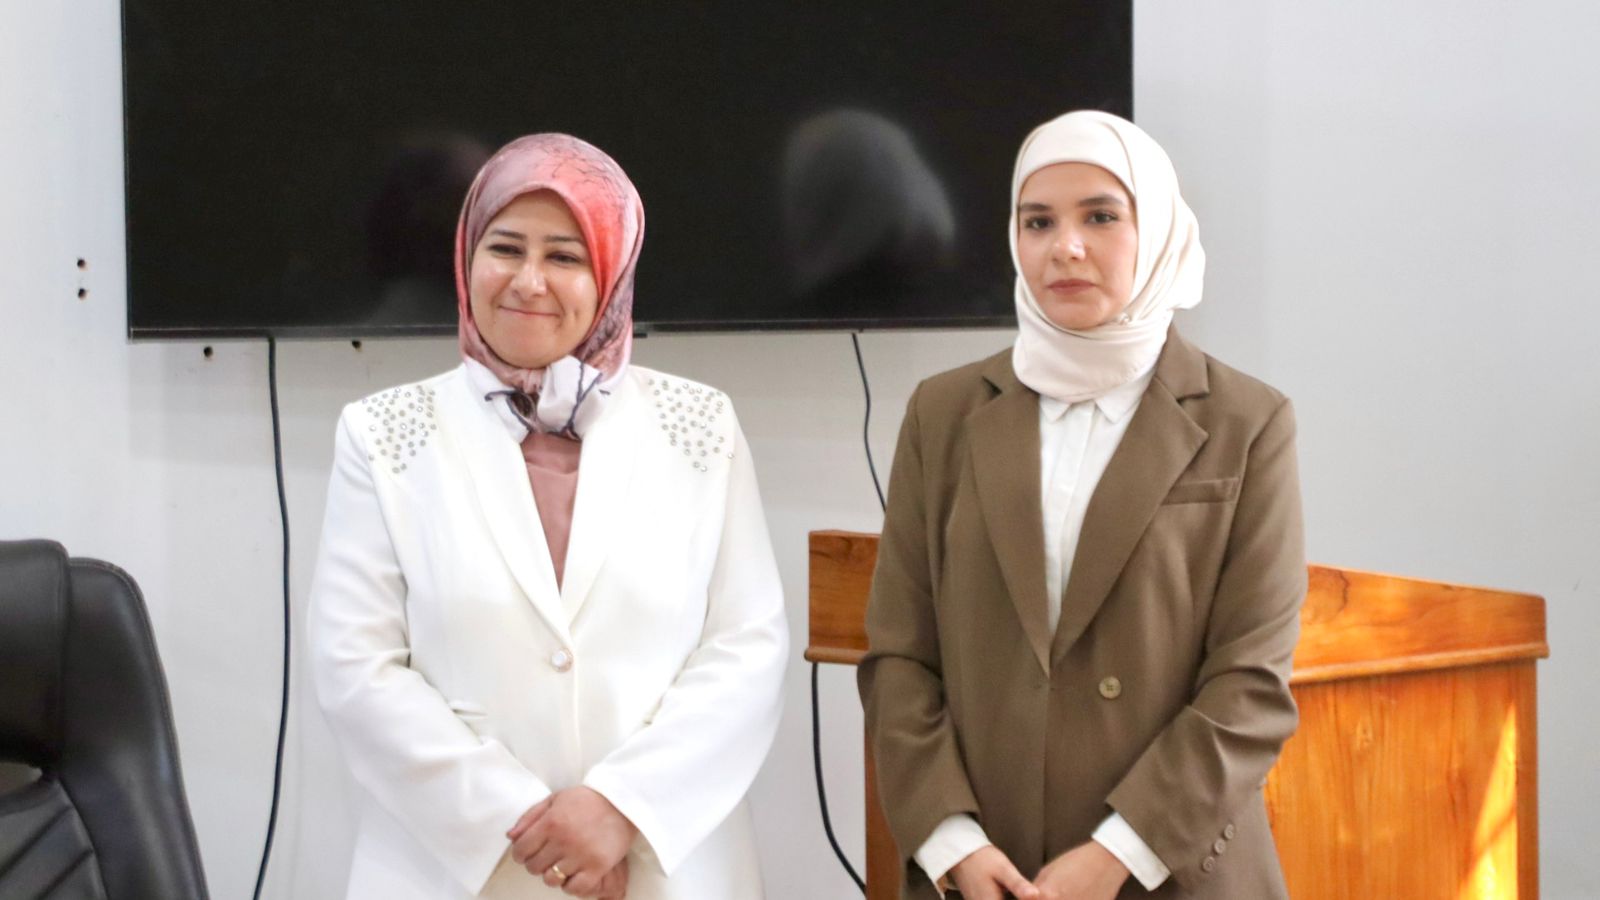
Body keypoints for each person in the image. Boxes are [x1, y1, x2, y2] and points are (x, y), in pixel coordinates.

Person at [309, 133, 788, 900]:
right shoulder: (382, 434)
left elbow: (747, 646)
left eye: (565, 256)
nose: (529, 281)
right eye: (505, 248)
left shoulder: (701, 425)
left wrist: (620, 809)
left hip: (662, 869)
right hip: (457, 873)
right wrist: (528, 825)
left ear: (612, 273)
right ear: (465, 259)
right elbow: (357, 669)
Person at [859, 110, 1306, 900]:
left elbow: (1251, 684)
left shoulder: (1247, 421)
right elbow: (900, 656)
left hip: (1172, 871)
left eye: (1100, 216)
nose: (1065, 246)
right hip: (982, 872)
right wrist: (952, 841)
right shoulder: (944, 412)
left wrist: (1118, 854)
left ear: (1157, 230)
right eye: (1038, 222)